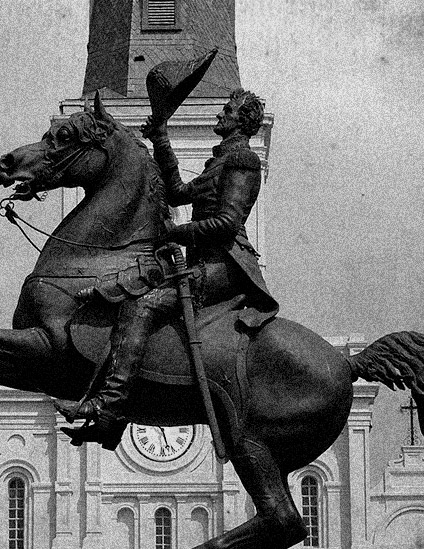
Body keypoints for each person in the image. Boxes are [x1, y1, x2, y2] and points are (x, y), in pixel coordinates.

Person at [54, 88, 279, 447]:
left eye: (228, 109)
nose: (221, 115)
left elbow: (226, 222)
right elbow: (175, 193)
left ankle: (109, 405)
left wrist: (174, 232)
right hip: (201, 262)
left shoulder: (244, 161)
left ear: (244, 121)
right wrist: (160, 136)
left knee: (141, 306)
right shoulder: (221, 161)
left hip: (224, 266)